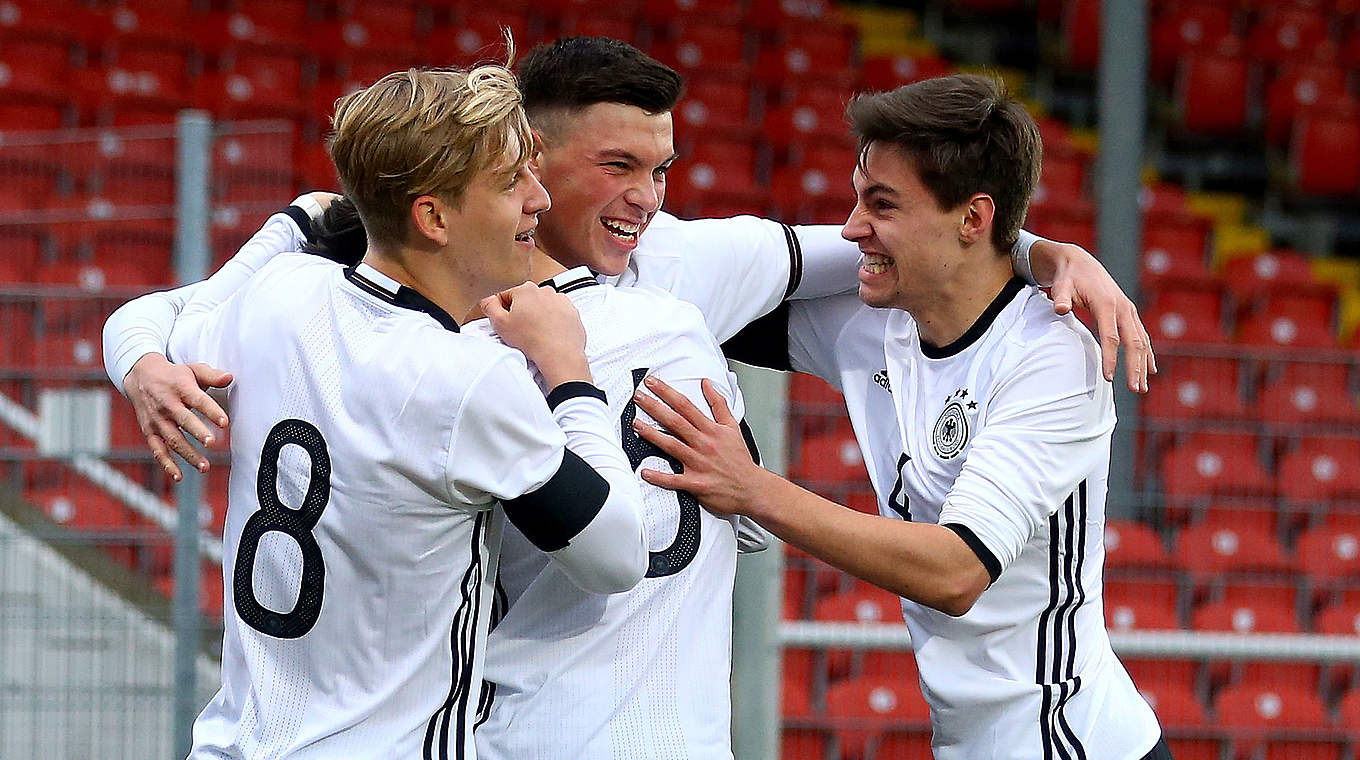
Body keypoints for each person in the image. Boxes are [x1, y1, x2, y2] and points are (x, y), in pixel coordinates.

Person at [103, 36, 1153, 484]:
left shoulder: (694, 259)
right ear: (529, 156)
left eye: (662, 166)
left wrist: (1048, 248)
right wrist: (141, 361)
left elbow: (906, 239)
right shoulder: (390, 261)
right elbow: (165, 313)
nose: (647, 196)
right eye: (617, 165)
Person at [630, 74, 1170, 760]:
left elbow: (956, 573)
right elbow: (691, 296)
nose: (853, 227)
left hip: (1070, 742)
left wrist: (751, 488)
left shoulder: (1051, 358)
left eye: (880, 205)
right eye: (857, 199)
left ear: (973, 219)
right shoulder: (875, 319)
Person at [167, 64, 650, 759]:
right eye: (512, 182)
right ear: (433, 217)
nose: (539, 200)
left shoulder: (281, 293)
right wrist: (571, 376)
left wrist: (139, 363)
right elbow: (616, 555)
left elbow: (167, 318)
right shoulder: (467, 378)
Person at [298, 197, 761, 758]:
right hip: (689, 739)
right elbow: (752, 525)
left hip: (520, 729)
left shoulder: (457, 361)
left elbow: (615, 555)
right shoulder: (677, 321)